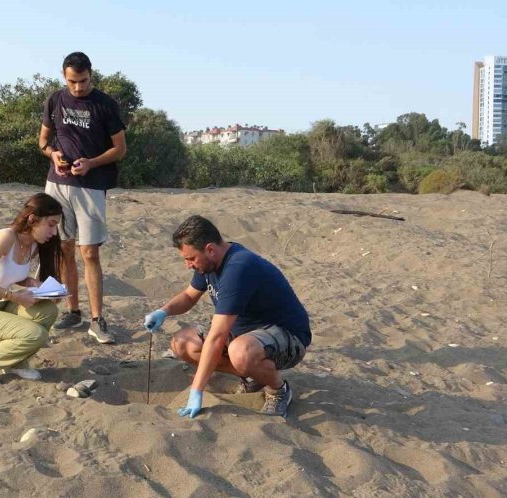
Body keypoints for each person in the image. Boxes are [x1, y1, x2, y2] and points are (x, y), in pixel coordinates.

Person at [143, 215, 311, 418]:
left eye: (190, 258)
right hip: (246, 333)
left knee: (240, 353)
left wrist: (196, 391)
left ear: (210, 249)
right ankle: (253, 375)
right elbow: (189, 296)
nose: (188, 265)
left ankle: (278, 390)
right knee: (182, 344)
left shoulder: (238, 267)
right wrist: (164, 311)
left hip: (288, 336)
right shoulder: (208, 263)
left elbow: (217, 336)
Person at [38, 51, 127, 345]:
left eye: (83, 81)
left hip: (91, 186)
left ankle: (97, 319)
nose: (78, 87)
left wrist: (91, 163)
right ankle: (72, 310)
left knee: (89, 252)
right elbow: (42, 142)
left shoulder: (105, 104)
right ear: (64, 77)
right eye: (72, 81)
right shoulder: (55, 100)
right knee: (63, 248)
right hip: (58, 185)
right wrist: (54, 155)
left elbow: (120, 149)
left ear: (91, 74)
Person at [0, 193, 64, 385]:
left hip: (2, 304)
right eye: (51, 224)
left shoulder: (32, 245)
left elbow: (12, 275)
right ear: (33, 219)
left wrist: (35, 285)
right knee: (35, 335)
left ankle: (15, 363)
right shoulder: (6, 237)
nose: (54, 232)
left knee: (48, 311)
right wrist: (14, 297)